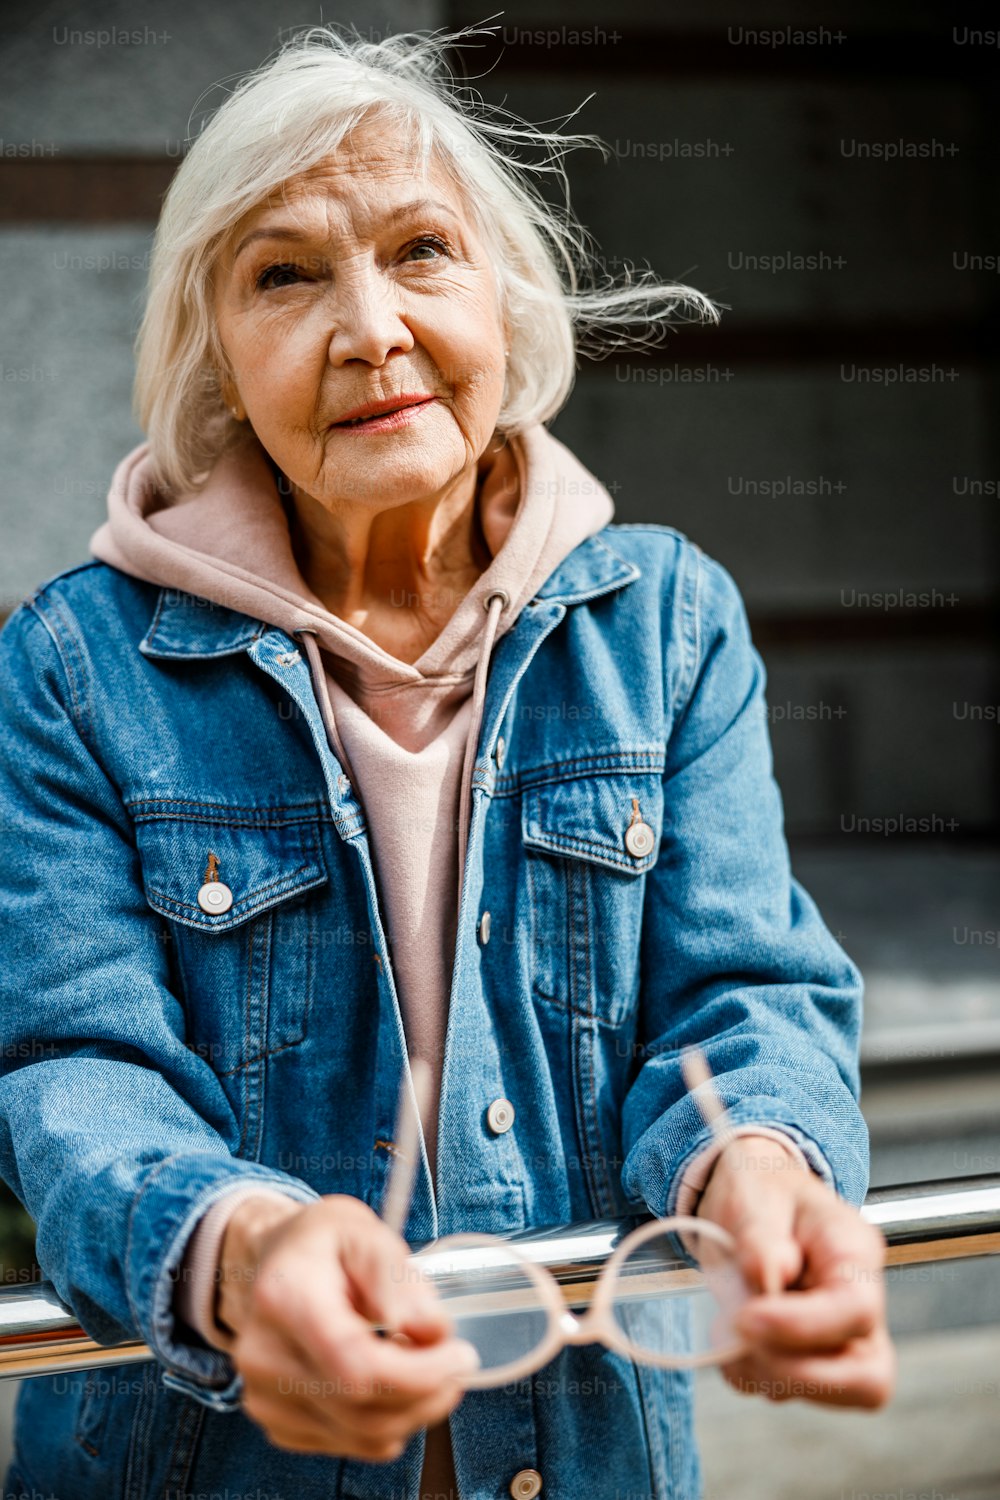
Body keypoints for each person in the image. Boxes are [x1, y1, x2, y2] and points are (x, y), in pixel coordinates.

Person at [0, 21, 893, 1500]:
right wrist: (242, 1245)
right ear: (215, 350)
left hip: (582, 1452)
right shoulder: (72, 667)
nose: (368, 329)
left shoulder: (666, 627)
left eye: (421, 251)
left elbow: (740, 994)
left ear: (507, 295)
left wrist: (765, 1170)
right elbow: (75, 1070)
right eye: (286, 274)